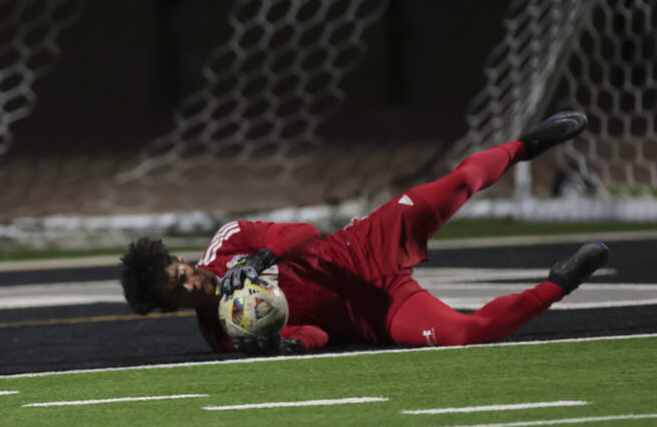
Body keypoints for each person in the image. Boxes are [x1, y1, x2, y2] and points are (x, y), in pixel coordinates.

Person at [119, 111, 608, 355]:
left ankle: (525, 145)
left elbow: (307, 234)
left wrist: (259, 259)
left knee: (454, 186)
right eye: (178, 290)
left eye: (180, 271)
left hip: (364, 245)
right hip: (379, 310)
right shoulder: (227, 335)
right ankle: (560, 282)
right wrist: (280, 346)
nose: (190, 282)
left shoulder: (229, 243)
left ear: (182, 259)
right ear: (171, 307)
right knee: (465, 334)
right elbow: (319, 333)